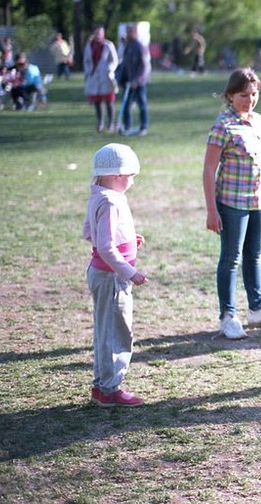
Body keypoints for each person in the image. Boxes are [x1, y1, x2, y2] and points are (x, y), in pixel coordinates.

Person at [203, 68, 261, 340]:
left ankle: (257, 308)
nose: (249, 100)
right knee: (231, 259)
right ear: (230, 95)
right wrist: (211, 210)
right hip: (232, 202)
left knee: (255, 255)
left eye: (254, 94)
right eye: (243, 95)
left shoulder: (258, 121)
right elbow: (208, 169)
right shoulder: (223, 125)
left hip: (259, 199)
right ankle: (227, 316)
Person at [83, 143, 148, 407]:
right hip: (111, 277)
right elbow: (106, 247)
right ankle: (110, 389)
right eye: (131, 175)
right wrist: (130, 272)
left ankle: (102, 386)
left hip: (103, 274)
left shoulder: (99, 195)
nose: (132, 180)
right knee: (117, 333)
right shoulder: (110, 201)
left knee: (105, 330)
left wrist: (129, 240)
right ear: (117, 175)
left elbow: (90, 231)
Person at [83, 25, 119, 133]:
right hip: (94, 77)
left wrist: (110, 69)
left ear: (103, 34)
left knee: (109, 101)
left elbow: (114, 60)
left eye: (100, 33)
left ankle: (111, 123)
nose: (98, 35)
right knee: (97, 102)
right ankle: (100, 123)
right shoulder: (89, 45)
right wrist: (88, 71)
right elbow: (86, 60)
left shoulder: (108, 45)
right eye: (96, 33)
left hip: (106, 77)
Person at [119, 24, 151, 136]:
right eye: (127, 32)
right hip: (128, 82)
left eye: (130, 32)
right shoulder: (129, 46)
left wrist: (136, 80)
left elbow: (144, 66)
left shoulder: (139, 46)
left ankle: (144, 127)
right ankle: (127, 126)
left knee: (142, 104)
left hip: (138, 82)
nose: (127, 34)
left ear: (135, 33)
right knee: (126, 105)